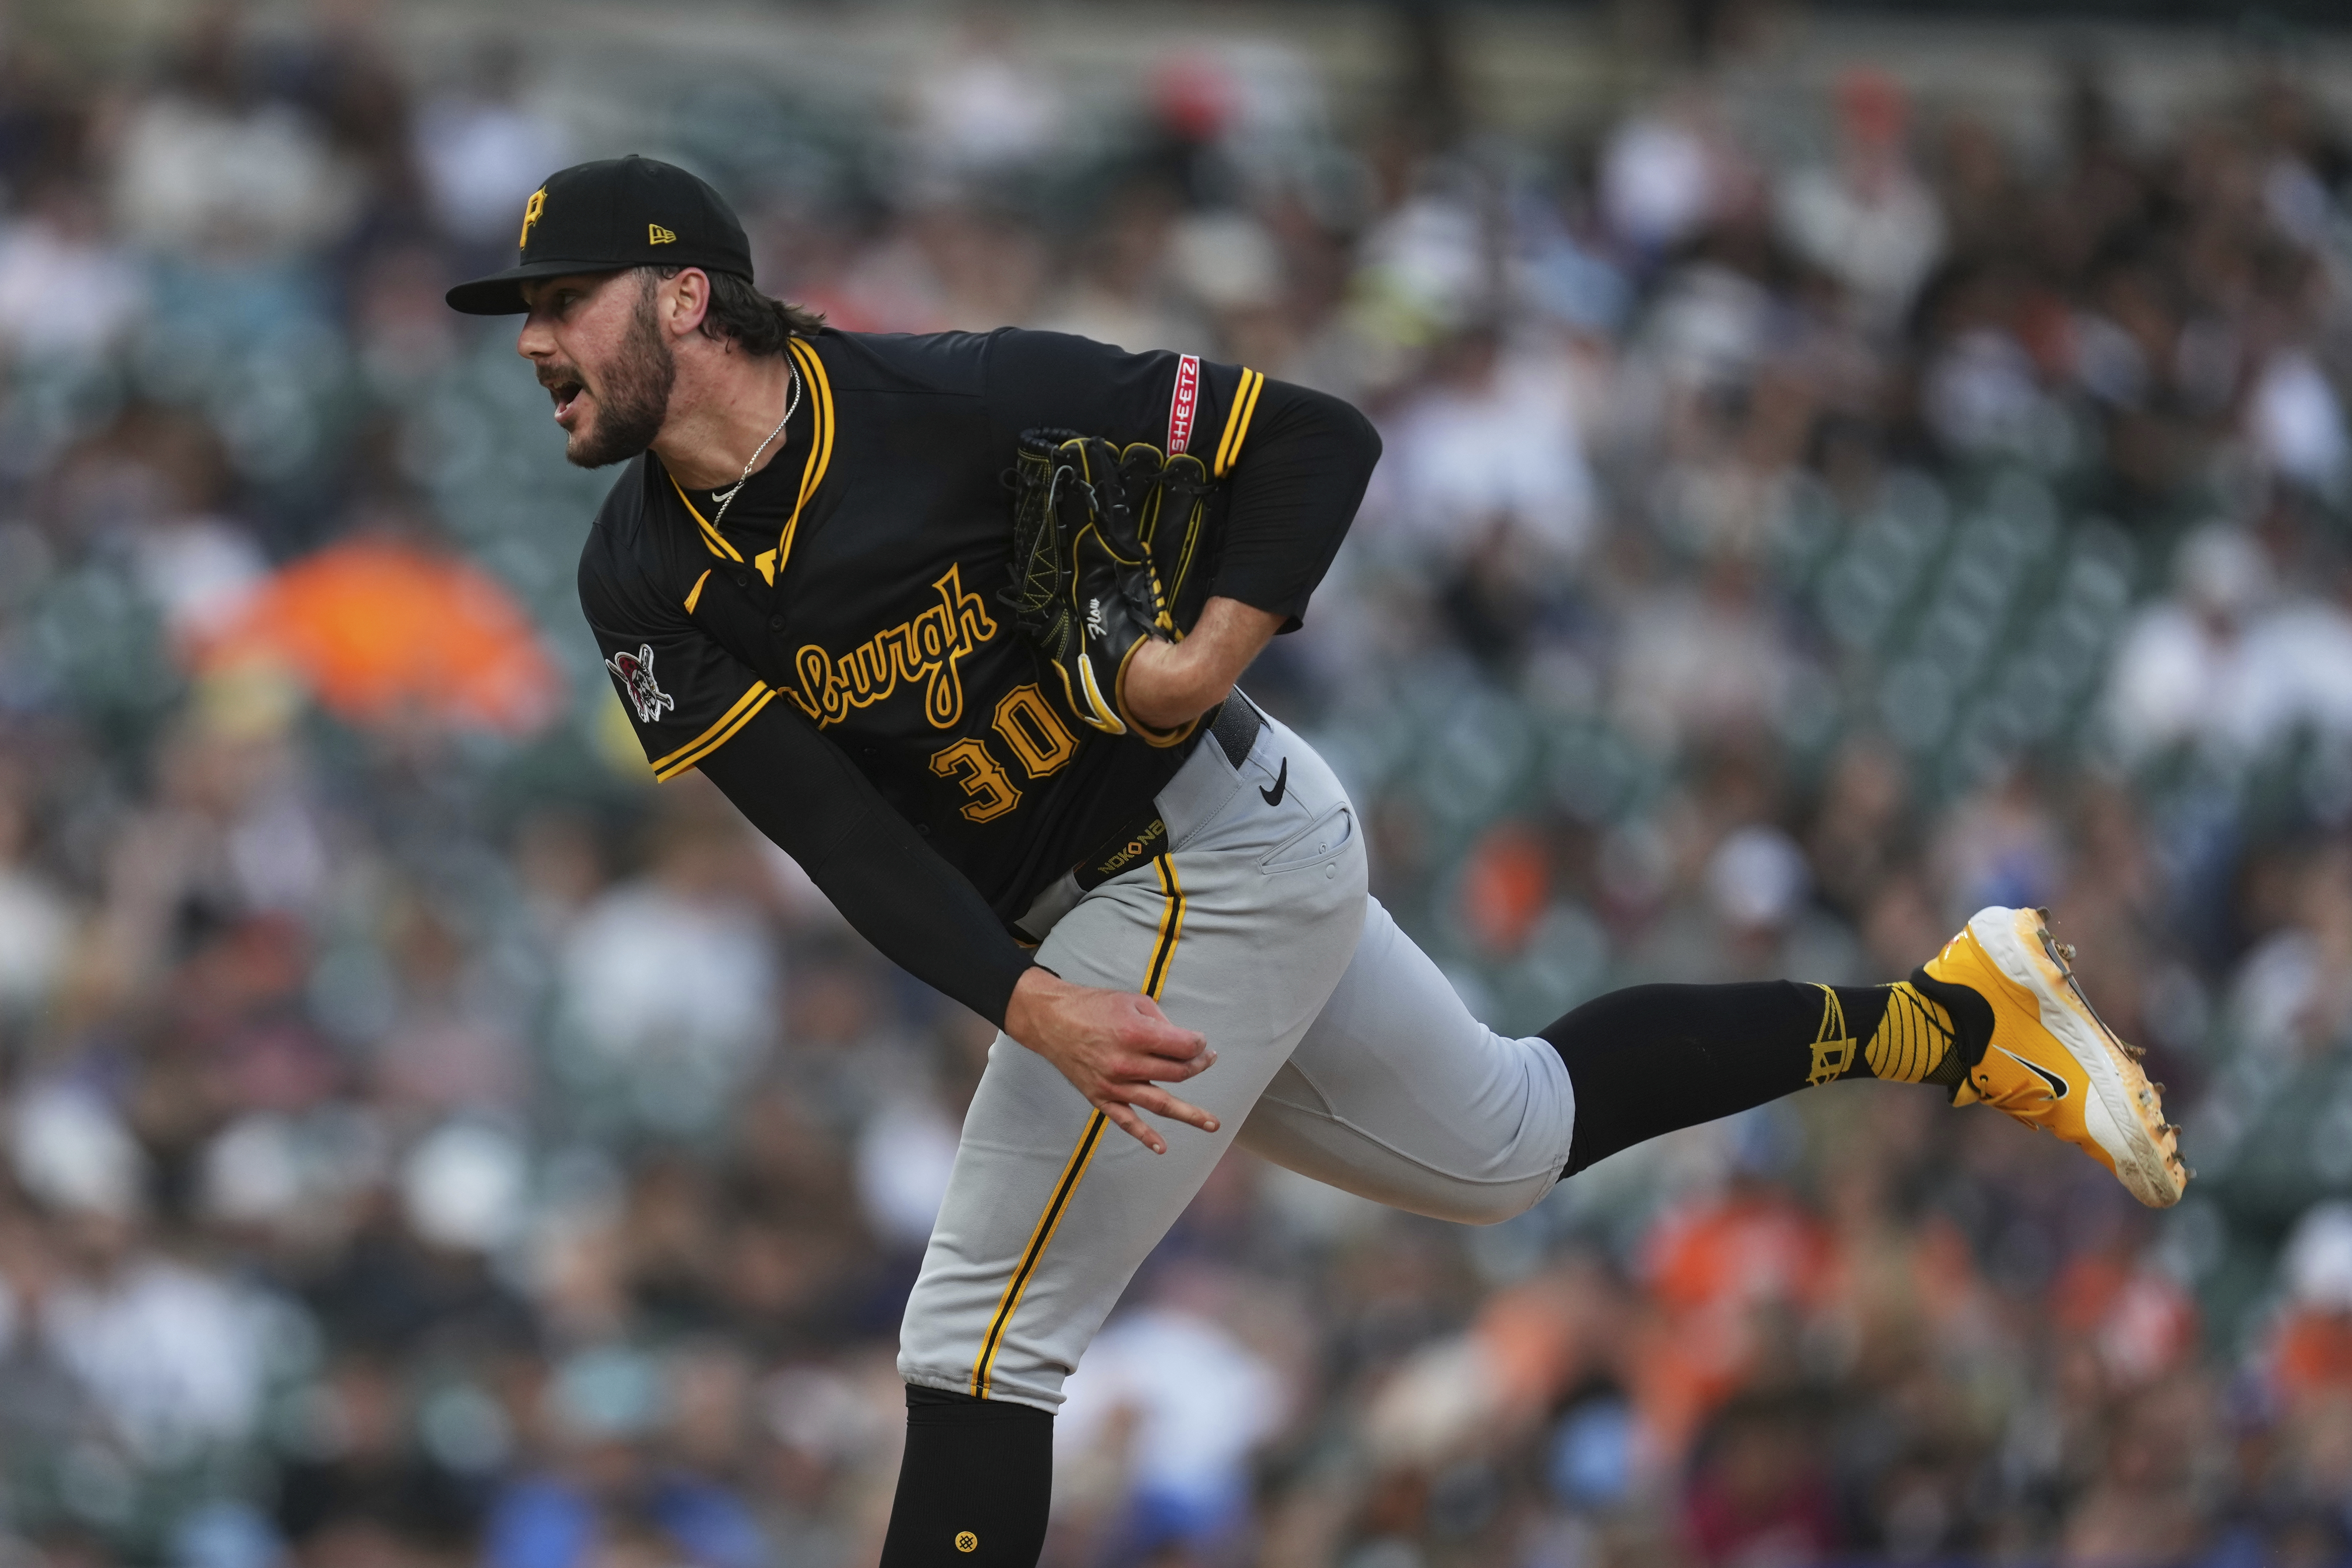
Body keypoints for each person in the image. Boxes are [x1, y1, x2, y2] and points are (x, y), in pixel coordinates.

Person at [447, 156, 2186, 1568]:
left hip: (1204, 849)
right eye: (522, 311)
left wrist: (1203, 657)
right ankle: (1960, 1020)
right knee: (1509, 1141)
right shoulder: (639, 577)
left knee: (976, 1341)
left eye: (560, 302)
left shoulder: (948, 395)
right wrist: (1027, 999)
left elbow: (1317, 437)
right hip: (1097, 911)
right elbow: (832, 834)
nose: (532, 341)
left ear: (686, 296)